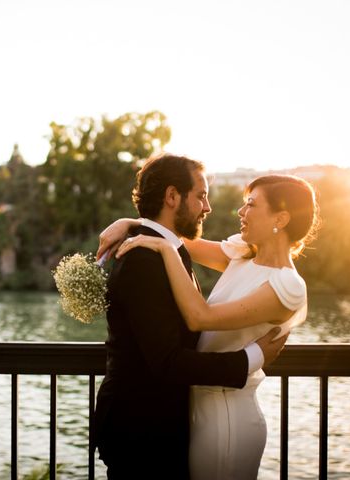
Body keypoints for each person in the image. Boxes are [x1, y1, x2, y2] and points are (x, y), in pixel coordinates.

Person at [97, 168, 320, 479]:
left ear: (280, 219)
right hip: (195, 411)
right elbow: (173, 236)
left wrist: (162, 248)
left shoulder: (287, 285)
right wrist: (130, 223)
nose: (240, 211)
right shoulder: (241, 256)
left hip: (226, 417)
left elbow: (199, 316)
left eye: (251, 204)